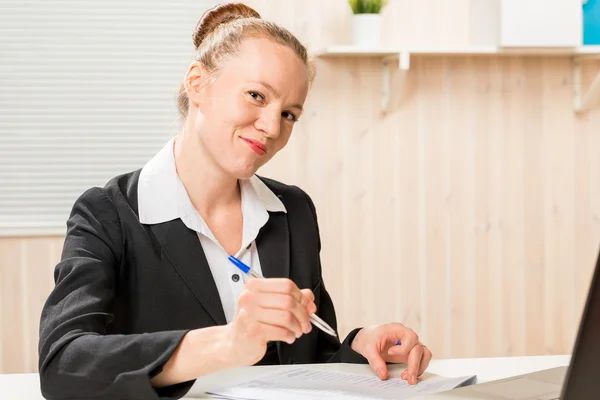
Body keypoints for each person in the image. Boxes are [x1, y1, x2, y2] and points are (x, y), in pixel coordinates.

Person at [37, 3, 432, 399]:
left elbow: (308, 363)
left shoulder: (292, 211)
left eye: (290, 114)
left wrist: (359, 348)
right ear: (197, 83)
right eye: (256, 95)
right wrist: (226, 344)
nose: (273, 126)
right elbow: (63, 365)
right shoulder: (108, 214)